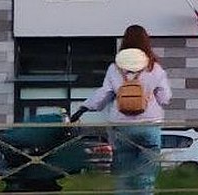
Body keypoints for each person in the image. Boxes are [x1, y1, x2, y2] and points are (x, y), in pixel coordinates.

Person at [71, 25, 172, 195]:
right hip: (149, 125)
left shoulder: (115, 68)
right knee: (146, 176)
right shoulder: (154, 68)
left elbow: (104, 94)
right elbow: (164, 98)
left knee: (123, 175)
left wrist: (83, 108)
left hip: (120, 126)